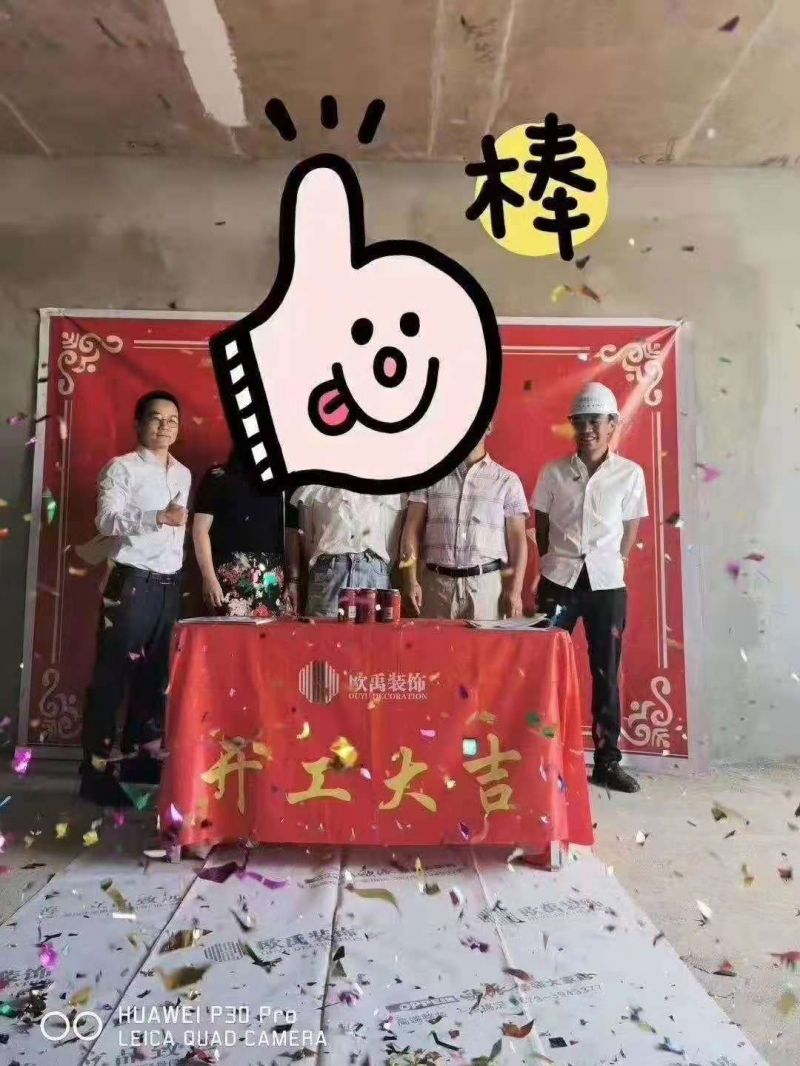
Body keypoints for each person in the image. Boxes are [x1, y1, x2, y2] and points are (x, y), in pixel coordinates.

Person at [532, 382, 648, 793]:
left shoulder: (630, 474)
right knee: (543, 671)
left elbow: (629, 532)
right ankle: (539, 758)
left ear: (613, 423)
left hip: (607, 586)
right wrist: (555, 562)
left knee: (605, 674)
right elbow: (541, 527)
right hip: (558, 582)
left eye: (595, 421)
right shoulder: (553, 473)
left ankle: (607, 762)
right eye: (579, 421)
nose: (587, 429)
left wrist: (611, 564)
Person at [80, 390, 191, 806]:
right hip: (130, 582)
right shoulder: (121, 468)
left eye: (172, 420)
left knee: (155, 677)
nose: (165, 426)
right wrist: (156, 516)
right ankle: (95, 772)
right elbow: (106, 520)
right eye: (156, 418)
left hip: (168, 584)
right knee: (112, 677)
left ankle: (139, 762)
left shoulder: (183, 473)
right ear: (139, 423)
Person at [400, 425, 529, 620]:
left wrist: (515, 591)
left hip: (487, 590)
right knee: (432, 641)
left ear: (489, 427)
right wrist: (410, 581)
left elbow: (517, 540)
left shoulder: (508, 481)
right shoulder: (429, 476)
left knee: (486, 642)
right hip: (436, 587)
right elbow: (411, 529)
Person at [192, 450, 299, 618]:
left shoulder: (284, 483)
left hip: (272, 580)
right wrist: (209, 577)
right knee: (228, 634)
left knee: (271, 634)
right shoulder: (217, 477)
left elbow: (291, 533)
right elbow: (200, 530)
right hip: (228, 577)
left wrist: (293, 580)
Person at [289, 488, 405, 617]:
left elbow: (397, 536)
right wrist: (295, 580)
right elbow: (300, 534)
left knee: (375, 629)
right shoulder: (314, 484)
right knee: (325, 629)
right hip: (331, 570)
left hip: (374, 571)